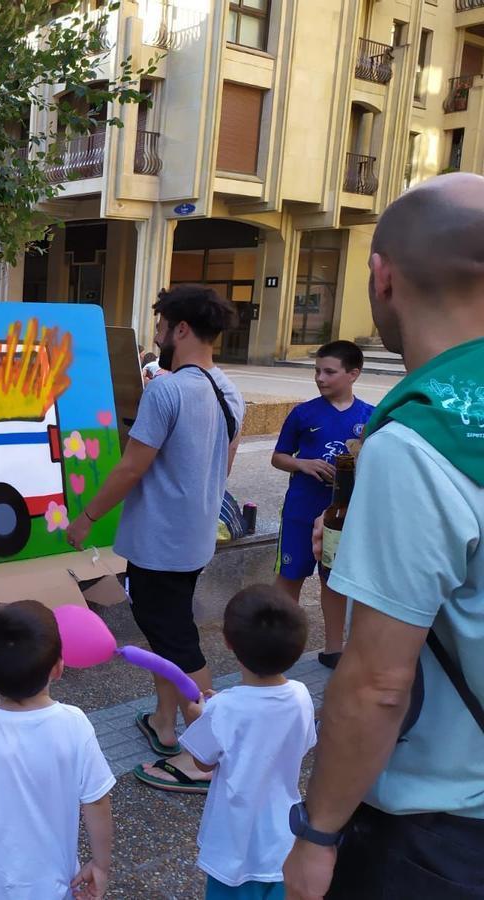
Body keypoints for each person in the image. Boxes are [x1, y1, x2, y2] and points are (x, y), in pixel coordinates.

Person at [283, 173, 484, 898]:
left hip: (443, 835)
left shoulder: (422, 440)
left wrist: (318, 836)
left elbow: (376, 683)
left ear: (382, 275)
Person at [67, 284, 244, 793]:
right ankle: (164, 724)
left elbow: (130, 467)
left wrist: (86, 519)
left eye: (163, 324)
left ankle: (205, 756)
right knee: (169, 632)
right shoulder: (227, 389)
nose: (158, 333)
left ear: (181, 329)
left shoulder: (167, 390)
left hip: (159, 541)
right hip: (193, 538)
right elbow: (223, 465)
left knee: (177, 641)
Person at [0, 600, 114, 899]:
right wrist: (101, 864)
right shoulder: (75, 724)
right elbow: (97, 802)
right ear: (58, 667)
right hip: (56, 882)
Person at [173, 585, 315, 900]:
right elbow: (300, 742)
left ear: (228, 642)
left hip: (234, 842)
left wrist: (200, 717)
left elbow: (202, 762)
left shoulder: (223, 709)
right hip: (284, 839)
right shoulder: (301, 696)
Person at [270, 340, 374, 668]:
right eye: (317, 371)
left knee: (333, 579)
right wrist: (303, 464)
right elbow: (278, 457)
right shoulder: (303, 414)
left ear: (353, 374)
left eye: (329, 372)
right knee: (290, 576)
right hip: (301, 511)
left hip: (340, 517)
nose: (320, 378)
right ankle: (277, 648)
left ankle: (333, 649)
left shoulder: (370, 417)